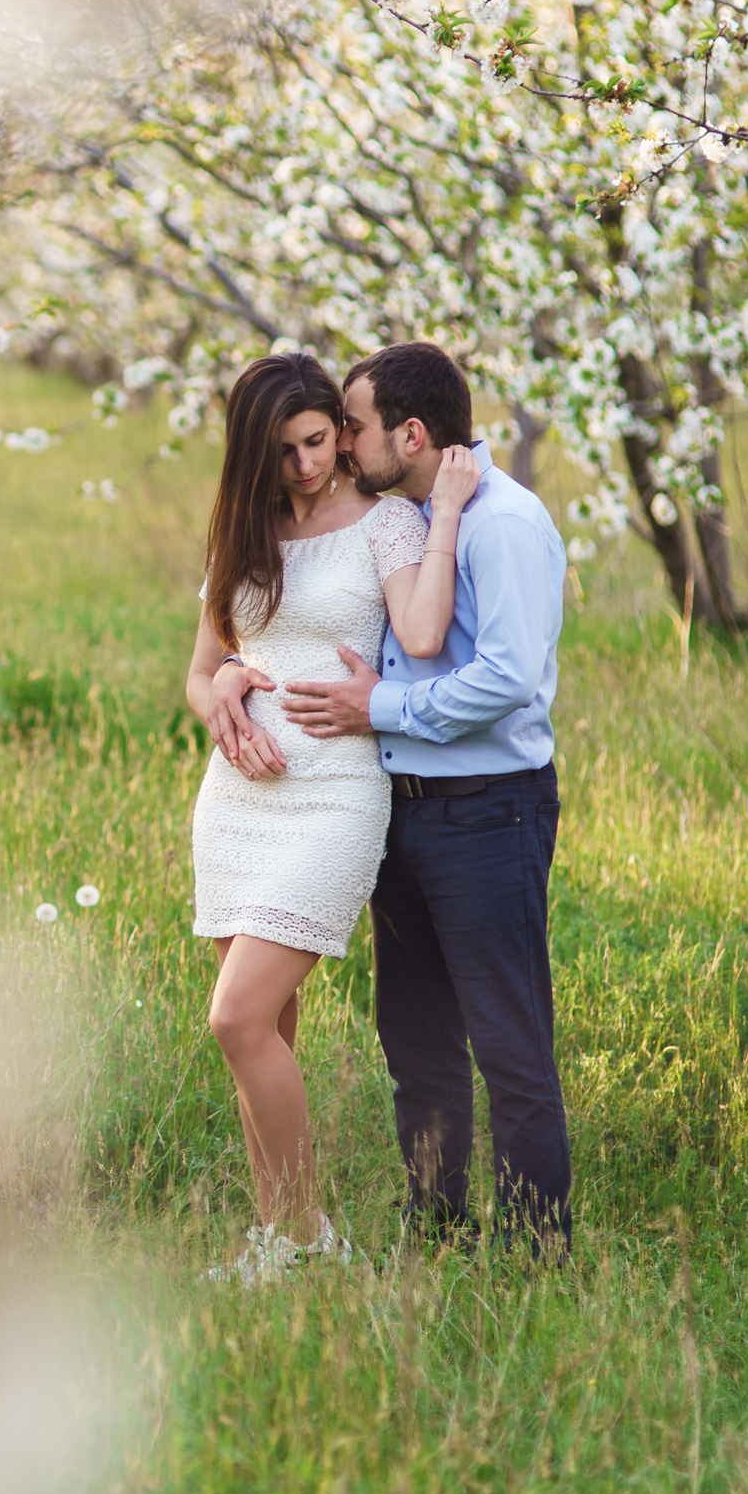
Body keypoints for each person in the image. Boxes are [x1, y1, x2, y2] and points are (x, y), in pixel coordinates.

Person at [220, 340, 575, 1256]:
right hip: (404, 805)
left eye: (352, 426)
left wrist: (377, 704)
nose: (341, 444)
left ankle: (538, 1252)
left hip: (489, 807)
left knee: (507, 1042)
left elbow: (502, 679)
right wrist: (226, 674)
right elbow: (255, 633)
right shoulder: (407, 515)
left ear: (407, 435)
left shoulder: (497, 523)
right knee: (416, 1044)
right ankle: (439, 1234)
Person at [183, 353, 476, 1284]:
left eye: (319, 441)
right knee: (268, 1029)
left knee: (236, 1019)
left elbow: (423, 635)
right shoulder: (241, 529)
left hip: (336, 796)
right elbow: (202, 668)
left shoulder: (386, 521)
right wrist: (223, 688)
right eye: (285, 452)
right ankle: (277, 1237)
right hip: (236, 800)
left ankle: (311, 1236)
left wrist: (449, 519)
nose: (308, 464)